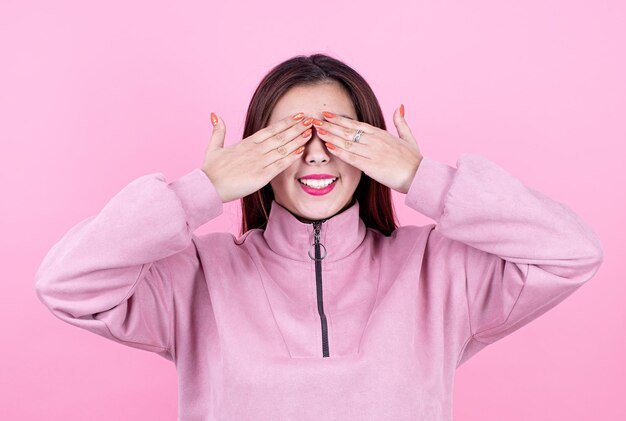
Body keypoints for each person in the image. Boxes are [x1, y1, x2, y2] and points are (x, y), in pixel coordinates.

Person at [34, 53, 604, 421]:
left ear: (372, 148)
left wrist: (420, 177)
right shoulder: (196, 275)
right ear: (255, 155)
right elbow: (65, 284)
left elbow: (573, 252)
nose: (313, 153)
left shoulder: (439, 267)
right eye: (288, 137)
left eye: (338, 134)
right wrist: (201, 190)